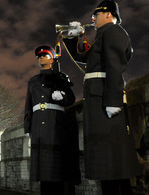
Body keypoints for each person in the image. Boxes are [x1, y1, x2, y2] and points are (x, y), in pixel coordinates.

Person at [63, 0, 141, 194]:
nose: (92, 19)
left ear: (108, 14)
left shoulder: (114, 32)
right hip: (98, 96)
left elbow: (115, 66)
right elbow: (84, 58)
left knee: (111, 158)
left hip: (104, 97)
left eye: (95, 15)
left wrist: (113, 100)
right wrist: (73, 39)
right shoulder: (102, 36)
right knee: (108, 162)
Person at [24, 45, 80, 194]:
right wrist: (27, 127)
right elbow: (28, 105)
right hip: (38, 125)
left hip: (56, 123)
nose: (41, 58)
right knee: (43, 169)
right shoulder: (33, 81)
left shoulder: (60, 77)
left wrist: (62, 97)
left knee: (56, 167)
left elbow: (71, 99)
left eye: (45, 55)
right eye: (39, 56)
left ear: (52, 59)